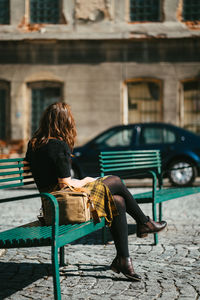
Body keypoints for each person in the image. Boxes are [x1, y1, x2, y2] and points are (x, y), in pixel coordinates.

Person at [25, 102, 167, 282]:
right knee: (114, 180)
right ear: (64, 122)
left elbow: (37, 174)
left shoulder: (34, 143)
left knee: (117, 201)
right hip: (64, 204)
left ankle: (124, 259)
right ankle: (144, 223)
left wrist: (88, 181)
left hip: (52, 204)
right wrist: (87, 181)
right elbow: (64, 185)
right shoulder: (58, 145)